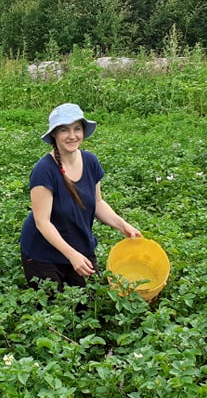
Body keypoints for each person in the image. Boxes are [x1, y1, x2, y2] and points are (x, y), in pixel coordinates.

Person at [19, 103, 141, 291]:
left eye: (77, 128)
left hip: (79, 244)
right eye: (64, 130)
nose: (72, 135)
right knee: (54, 310)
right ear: (54, 134)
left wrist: (123, 225)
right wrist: (71, 255)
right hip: (43, 254)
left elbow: (98, 203)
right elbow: (42, 222)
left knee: (90, 303)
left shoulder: (90, 161)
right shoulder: (44, 171)